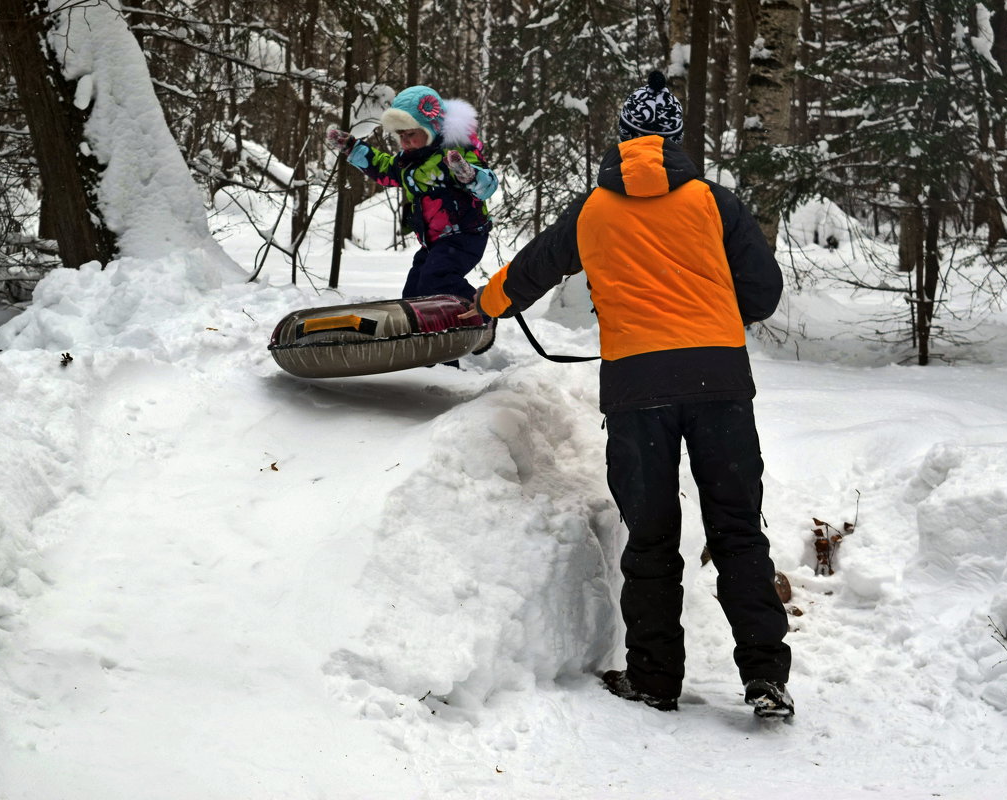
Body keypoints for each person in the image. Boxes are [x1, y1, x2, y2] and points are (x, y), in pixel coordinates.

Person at [467, 71, 793, 718]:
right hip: (719, 382)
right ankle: (764, 677)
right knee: (737, 530)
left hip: (638, 386)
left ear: (622, 143)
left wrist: (482, 304)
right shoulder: (715, 203)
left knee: (650, 535)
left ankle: (654, 678)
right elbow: (762, 296)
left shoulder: (593, 208)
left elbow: (527, 274)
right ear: (674, 141)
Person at [326, 85, 498, 303]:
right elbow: (384, 169)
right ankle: (424, 327)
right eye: (400, 135)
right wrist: (353, 148)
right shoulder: (408, 162)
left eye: (411, 134)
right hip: (434, 242)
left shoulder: (455, 153)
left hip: (465, 236)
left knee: (435, 279)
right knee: (414, 290)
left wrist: (470, 175)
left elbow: (488, 185)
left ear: (431, 129)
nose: (405, 141)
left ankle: (483, 312)